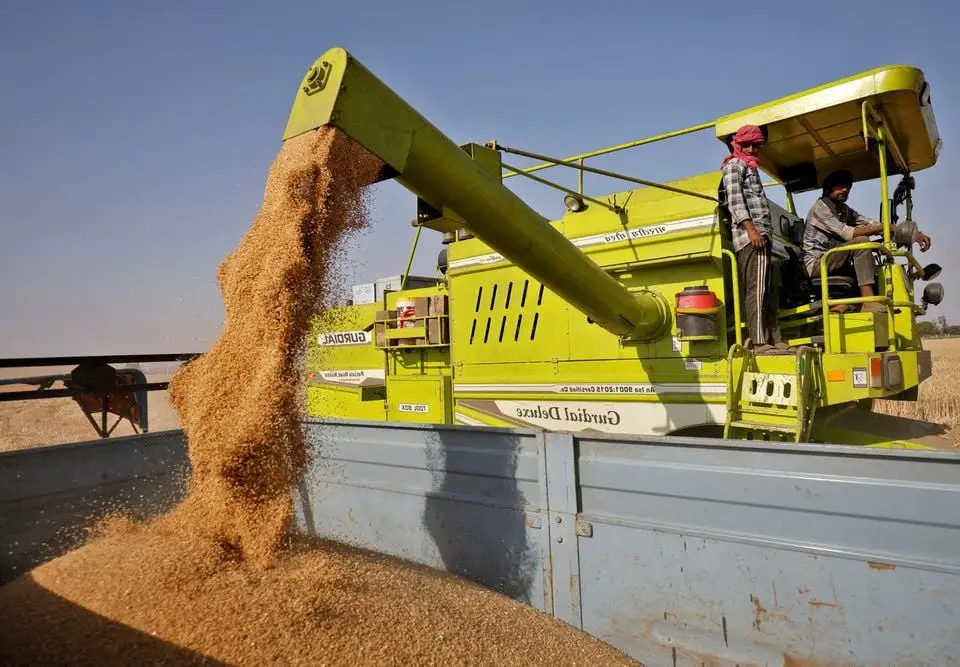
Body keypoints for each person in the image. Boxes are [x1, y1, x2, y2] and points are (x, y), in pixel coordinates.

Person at [801, 170, 932, 313]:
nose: (845, 189)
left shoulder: (843, 210)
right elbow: (848, 233)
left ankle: (849, 305)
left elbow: (869, 223)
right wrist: (884, 227)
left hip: (832, 260)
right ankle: (868, 302)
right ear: (828, 189)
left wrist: (912, 233)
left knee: (872, 264)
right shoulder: (820, 208)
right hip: (816, 263)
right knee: (861, 242)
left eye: (848, 187)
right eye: (840, 186)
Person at [721, 125, 789, 354]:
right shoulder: (734, 165)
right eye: (747, 144)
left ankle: (775, 337)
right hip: (751, 236)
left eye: (755, 145)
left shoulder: (751, 168)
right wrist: (751, 230)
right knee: (757, 290)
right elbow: (735, 201)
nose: (751, 149)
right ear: (737, 143)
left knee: (767, 290)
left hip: (762, 235)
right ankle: (759, 342)